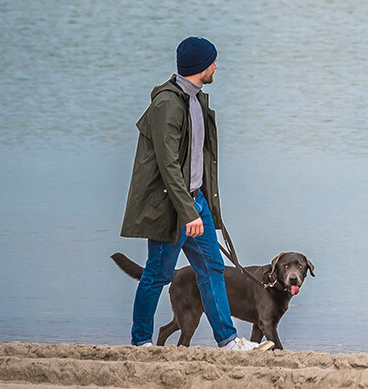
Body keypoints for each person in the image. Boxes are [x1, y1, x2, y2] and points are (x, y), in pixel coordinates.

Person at [119, 36, 271, 351]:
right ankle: (140, 342)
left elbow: (196, 160)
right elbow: (168, 166)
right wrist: (188, 211)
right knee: (158, 274)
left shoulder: (196, 99)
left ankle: (228, 341)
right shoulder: (166, 104)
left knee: (212, 269)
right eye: (213, 61)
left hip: (194, 200)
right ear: (201, 66)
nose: (216, 65)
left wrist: (201, 204)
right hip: (171, 206)